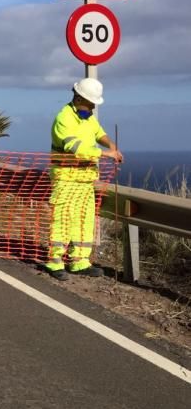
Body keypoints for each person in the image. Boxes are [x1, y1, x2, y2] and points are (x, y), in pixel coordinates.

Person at [46, 78, 123, 281]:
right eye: (89, 103)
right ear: (78, 97)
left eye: (93, 104)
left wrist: (111, 144)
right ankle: (55, 263)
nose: (91, 107)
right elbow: (76, 149)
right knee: (62, 221)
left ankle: (80, 262)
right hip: (66, 178)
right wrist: (106, 154)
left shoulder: (87, 116)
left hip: (85, 180)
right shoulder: (64, 118)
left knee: (84, 222)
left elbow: (99, 133)